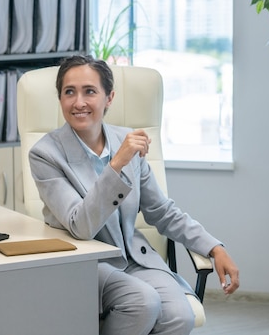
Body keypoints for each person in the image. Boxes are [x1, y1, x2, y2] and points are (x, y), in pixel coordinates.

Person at [29, 55, 239, 335]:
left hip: (135, 260)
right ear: (60, 99)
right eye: (69, 92)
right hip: (88, 263)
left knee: (180, 316)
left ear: (109, 97)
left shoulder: (126, 139)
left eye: (89, 91)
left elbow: (161, 211)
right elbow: (80, 226)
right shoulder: (45, 154)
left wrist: (214, 248)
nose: (79, 102)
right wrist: (116, 164)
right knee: (143, 302)